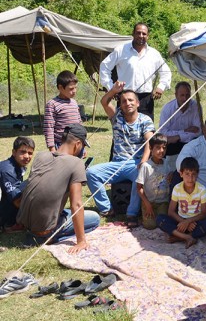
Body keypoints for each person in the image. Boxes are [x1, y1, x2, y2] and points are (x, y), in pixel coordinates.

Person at [18, 124, 99, 252]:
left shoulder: (40, 156)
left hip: (27, 225)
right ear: (78, 144)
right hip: (44, 232)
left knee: (63, 211)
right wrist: (81, 241)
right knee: (94, 218)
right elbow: (76, 204)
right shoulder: (76, 163)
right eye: (83, 146)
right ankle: (51, 237)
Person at [86, 81, 154, 224]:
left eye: (130, 100)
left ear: (137, 103)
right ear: (120, 105)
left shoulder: (145, 120)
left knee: (139, 175)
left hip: (135, 163)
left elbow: (150, 142)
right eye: (123, 101)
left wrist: (143, 162)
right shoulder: (116, 117)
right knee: (91, 173)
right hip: (116, 164)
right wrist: (113, 90)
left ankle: (132, 214)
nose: (127, 103)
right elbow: (104, 101)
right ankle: (106, 209)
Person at [99, 22, 171, 119]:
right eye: (138, 33)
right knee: (124, 130)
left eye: (144, 34)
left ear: (148, 36)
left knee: (147, 132)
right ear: (133, 34)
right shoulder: (121, 50)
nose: (141, 36)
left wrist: (161, 87)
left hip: (146, 99)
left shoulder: (154, 54)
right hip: (125, 98)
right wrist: (111, 88)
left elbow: (165, 71)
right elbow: (104, 67)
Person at [157, 157, 206, 248]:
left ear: (197, 174)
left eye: (193, 174)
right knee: (160, 219)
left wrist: (189, 221)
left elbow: (204, 213)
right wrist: (184, 222)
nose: (190, 178)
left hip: (195, 222)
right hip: (180, 222)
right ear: (181, 174)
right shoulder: (177, 188)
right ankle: (187, 237)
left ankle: (178, 237)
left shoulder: (202, 189)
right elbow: (171, 211)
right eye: (187, 174)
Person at [136, 134, 173, 230]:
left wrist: (171, 176)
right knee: (150, 226)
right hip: (149, 201)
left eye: (164, 148)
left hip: (163, 202)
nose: (161, 151)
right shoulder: (145, 166)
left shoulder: (166, 163)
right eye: (158, 148)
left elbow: (170, 176)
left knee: (163, 223)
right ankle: (144, 214)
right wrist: (147, 204)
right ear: (151, 148)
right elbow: (139, 187)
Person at [0, 137, 35, 232]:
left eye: (30, 153)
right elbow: (16, 201)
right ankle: (9, 224)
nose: (27, 156)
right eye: (22, 152)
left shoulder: (18, 165)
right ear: (14, 152)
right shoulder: (8, 171)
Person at [158, 81, 202, 157]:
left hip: (190, 142)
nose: (185, 98)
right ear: (176, 95)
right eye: (182, 95)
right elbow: (163, 132)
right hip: (172, 143)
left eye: (187, 95)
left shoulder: (196, 106)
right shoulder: (167, 108)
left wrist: (179, 137)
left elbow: (198, 131)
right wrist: (184, 131)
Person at [43, 70, 82, 152]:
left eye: (75, 88)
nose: (74, 91)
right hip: (61, 145)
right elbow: (48, 127)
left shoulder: (74, 103)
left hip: (76, 144)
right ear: (60, 88)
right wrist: (52, 148)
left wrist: (82, 144)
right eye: (71, 88)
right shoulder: (52, 104)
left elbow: (79, 124)